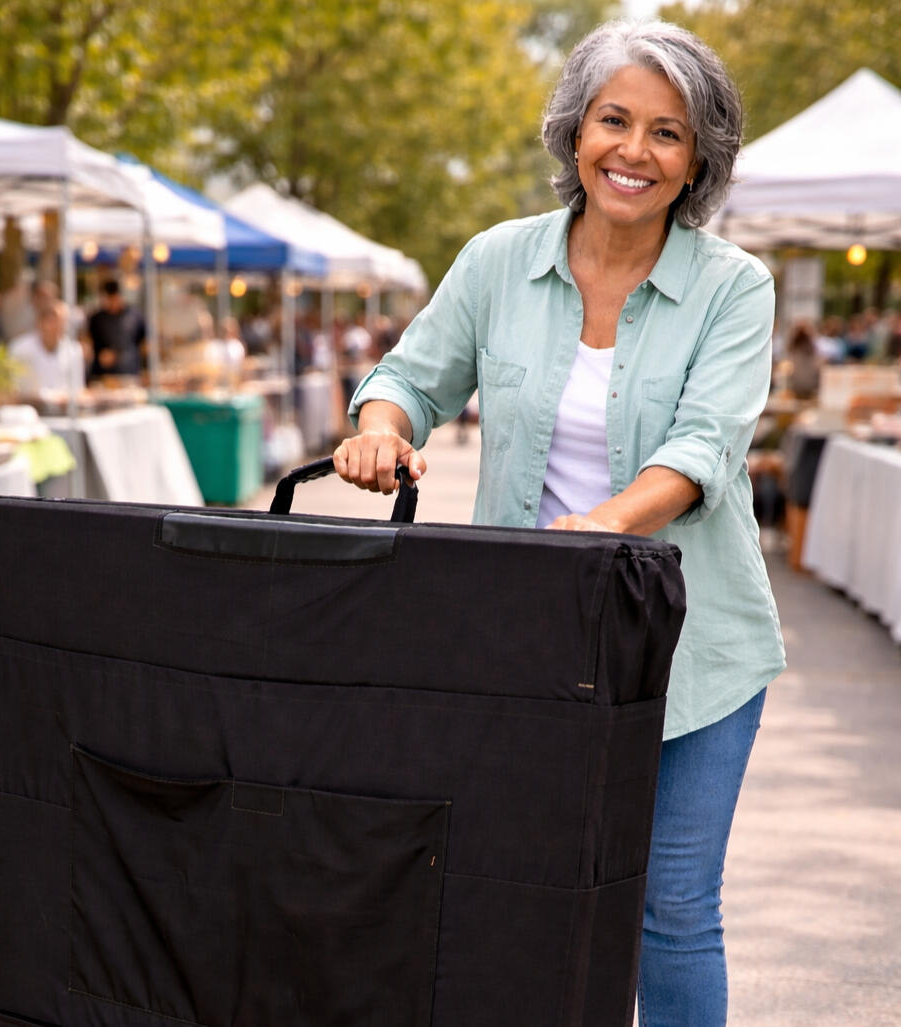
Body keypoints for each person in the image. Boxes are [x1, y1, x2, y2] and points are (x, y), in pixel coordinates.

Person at [333, 19, 784, 1027]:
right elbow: (409, 377)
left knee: (670, 910)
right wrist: (378, 427)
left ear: (699, 157)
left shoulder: (733, 287)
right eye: (612, 120)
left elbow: (703, 444)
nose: (634, 151)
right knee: (519, 889)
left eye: (667, 132)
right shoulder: (498, 262)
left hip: (692, 651)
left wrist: (602, 528)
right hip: (525, 645)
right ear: (572, 132)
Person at [8, 300, 85, 396]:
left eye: (62, 321)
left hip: (65, 409)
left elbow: (78, 389)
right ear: (39, 323)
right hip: (28, 408)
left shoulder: (74, 350)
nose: (57, 326)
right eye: (52, 321)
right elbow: (14, 388)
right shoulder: (19, 348)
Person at [86, 278, 146, 379]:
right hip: (103, 375)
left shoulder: (135, 316)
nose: (112, 303)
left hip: (130, 372)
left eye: (114, 299)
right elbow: (89, 344)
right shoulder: (96, 318)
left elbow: (143, 342)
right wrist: (100, 355)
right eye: (109, 299)